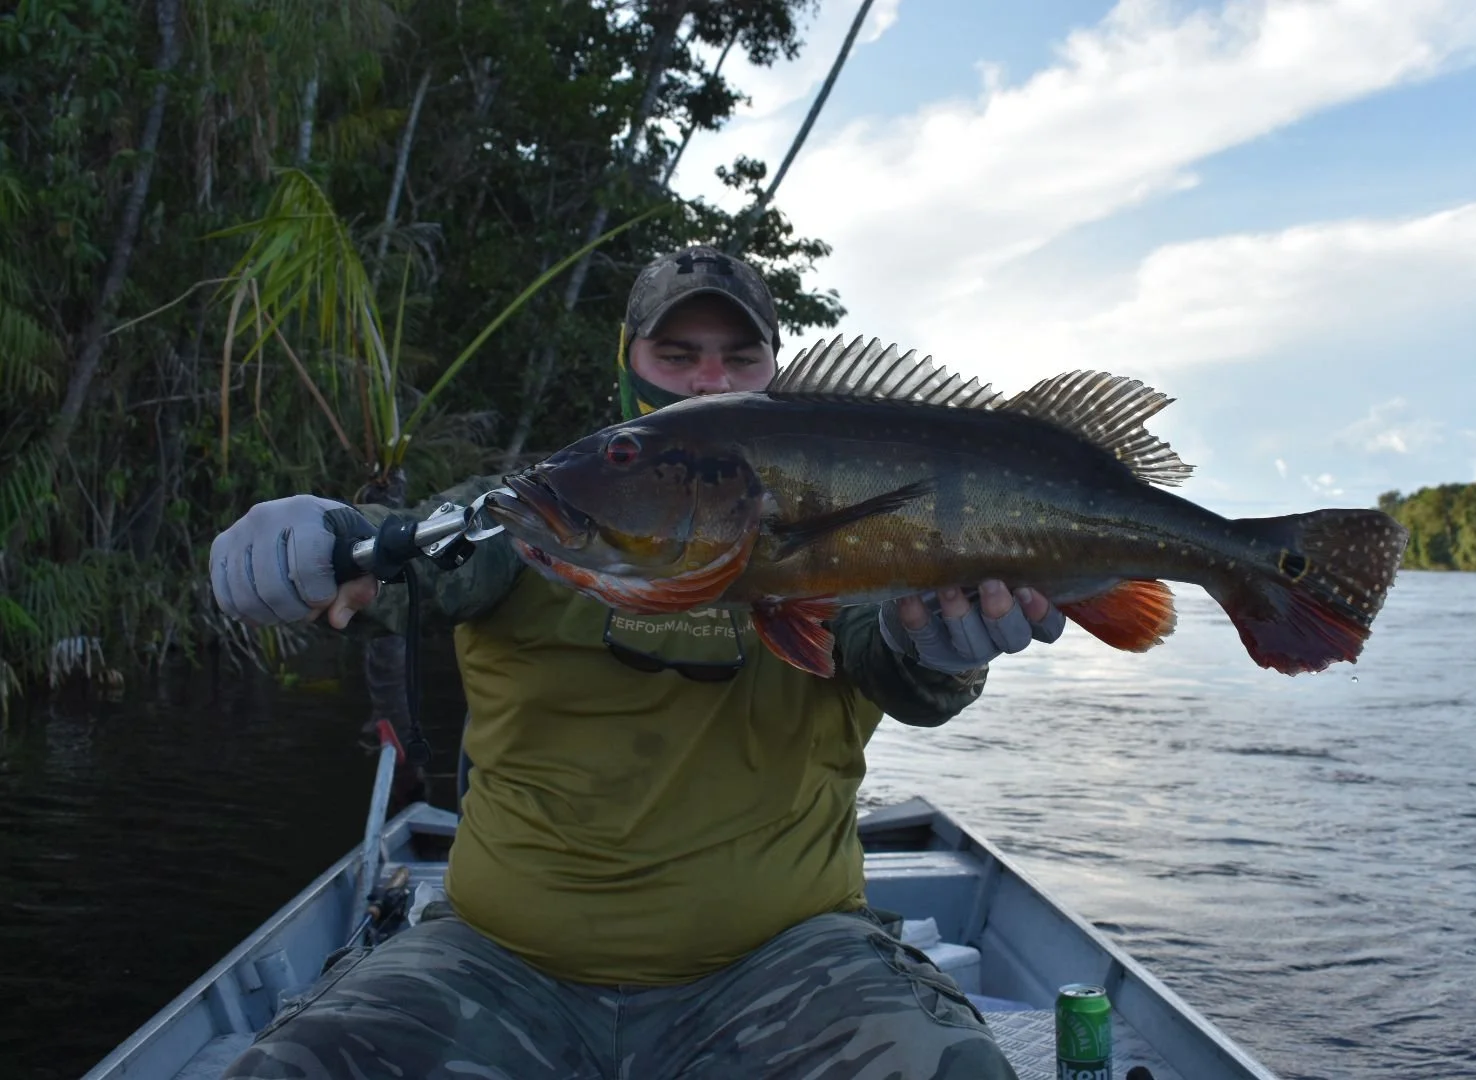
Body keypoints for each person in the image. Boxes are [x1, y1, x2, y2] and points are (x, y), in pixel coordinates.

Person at [208, 245, 1069, 1079]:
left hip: (790, 967)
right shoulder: (540, 508)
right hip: (496, 966)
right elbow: (400, 561)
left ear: (774, 371)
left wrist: (943, 654)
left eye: (739, 357)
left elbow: (897, 668)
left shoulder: (837, 528)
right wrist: (319, 538)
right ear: (626, 364)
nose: (707, 380)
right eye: (677, 353)